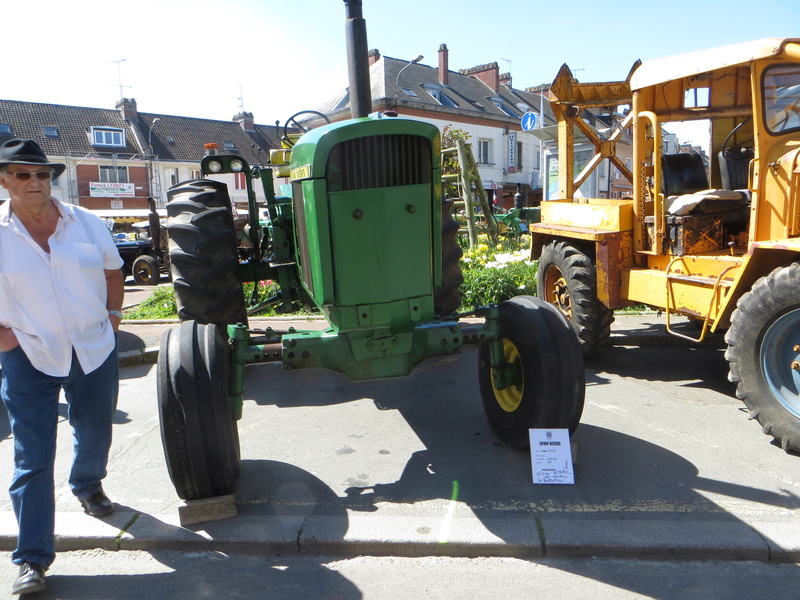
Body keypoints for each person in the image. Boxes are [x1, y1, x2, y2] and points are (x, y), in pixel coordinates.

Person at [0, 139, 124, 595]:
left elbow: (113, 273)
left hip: (93, 348)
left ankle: (88, 484)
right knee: (32, 458)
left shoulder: (87, 223)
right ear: (3, 179)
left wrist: (112, 318)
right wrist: (3, 338)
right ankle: (32, 557)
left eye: (42, 174)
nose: (34, 183)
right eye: (22, 174)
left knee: (95, 429)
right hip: (28, 356)